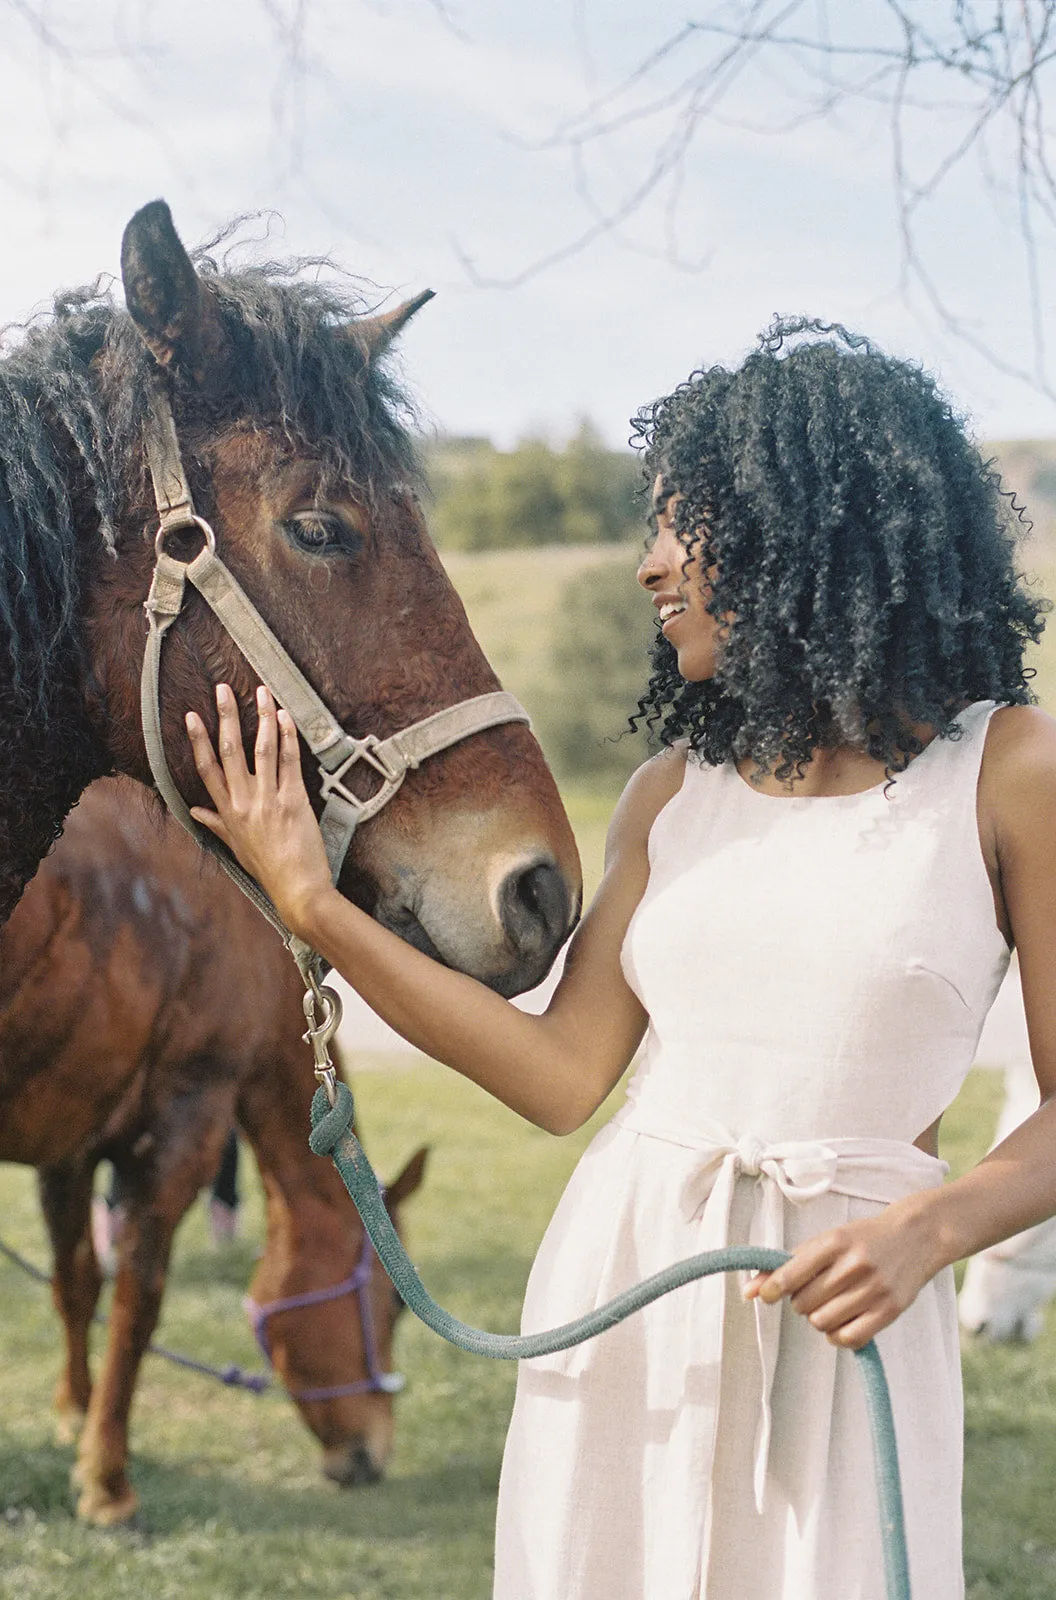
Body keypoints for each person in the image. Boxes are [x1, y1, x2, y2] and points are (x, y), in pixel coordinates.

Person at [183, 318, 1056, 1600]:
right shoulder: (668, 792)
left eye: (679, 525)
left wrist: (936, 1225)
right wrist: (316, 908)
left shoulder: (1011, 771)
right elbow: (556, 1076)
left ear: (796, 525)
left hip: (844, 1308)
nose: (649, 565)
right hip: (627, 1278)